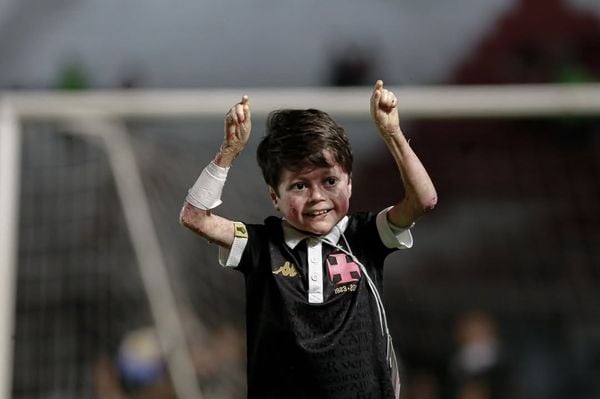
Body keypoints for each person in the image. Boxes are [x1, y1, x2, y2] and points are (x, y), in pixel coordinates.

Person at [180, 80, 437, 398]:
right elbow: (194, 217)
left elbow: (423, 200)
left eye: (330, 181)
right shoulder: (261, 246)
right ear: (275, 197)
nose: (317, 197)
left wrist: (392, 134)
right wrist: (229, 151)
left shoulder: (364, 237)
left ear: (350, 184)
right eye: (300, 186)